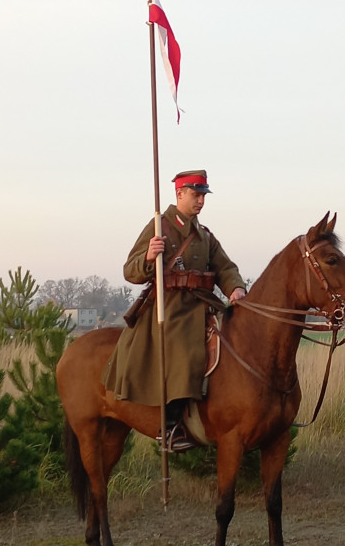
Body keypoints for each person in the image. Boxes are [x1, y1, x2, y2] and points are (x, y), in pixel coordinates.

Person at [102, 169, 246, 450]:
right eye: (196, 194)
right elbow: (130, 271)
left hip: (203, 303)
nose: (201, 201)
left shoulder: (204, 235)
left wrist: (235, 289)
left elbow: (225, 267)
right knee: (182, 347)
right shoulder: (160, 227)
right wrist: (148, 256)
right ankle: (171, 426)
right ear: (179, 194)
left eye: (203, 195)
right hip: (169, 307)